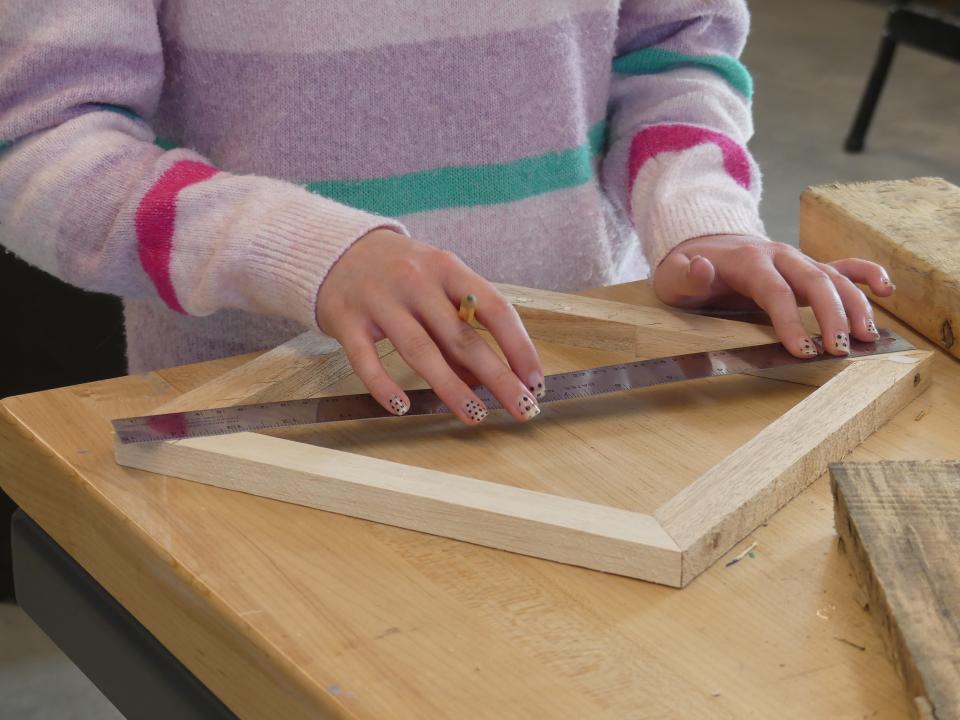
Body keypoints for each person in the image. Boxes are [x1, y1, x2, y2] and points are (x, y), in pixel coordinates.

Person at [0, 1, 893, 426]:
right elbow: (38, 144)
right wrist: (306, 253)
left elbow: (675, 51)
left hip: (583, 389)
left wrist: (701, 217)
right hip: (265, 412)